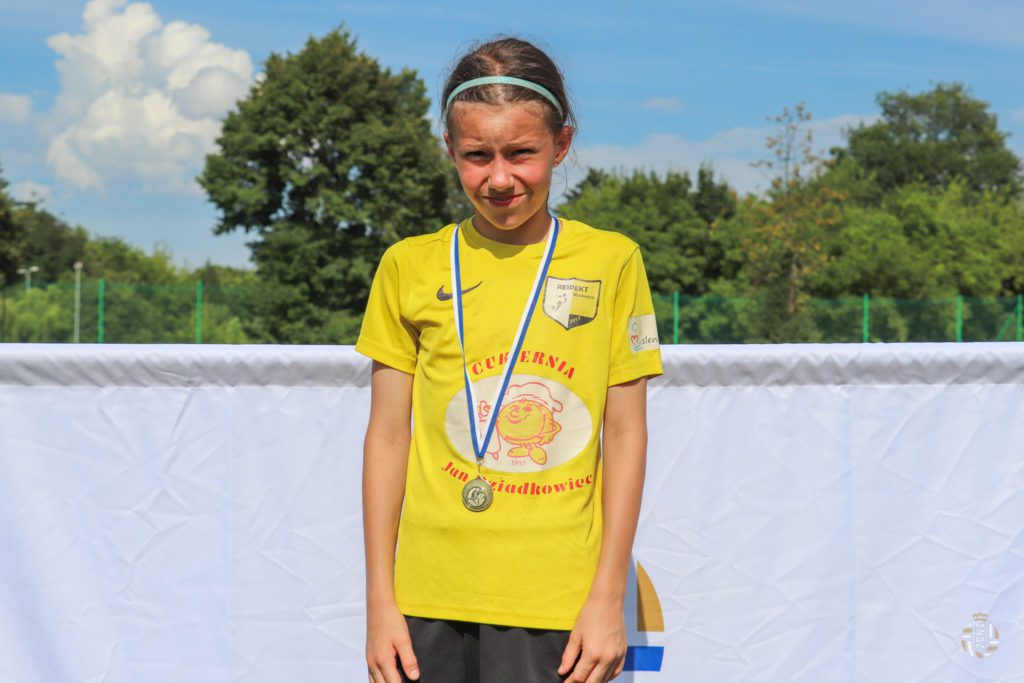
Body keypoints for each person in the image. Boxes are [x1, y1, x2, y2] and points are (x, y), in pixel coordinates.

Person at [357, 36, 664, 683]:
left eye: (521, 152)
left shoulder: (613, 261)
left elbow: (625, 432)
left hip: (555, 600)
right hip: (425, 598)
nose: (499, 178)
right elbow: (387, 436)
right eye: (477, 155)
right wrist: (381, 601)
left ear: (561, 144)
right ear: (450, 150)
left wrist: (607, 596)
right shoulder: (408, 266)